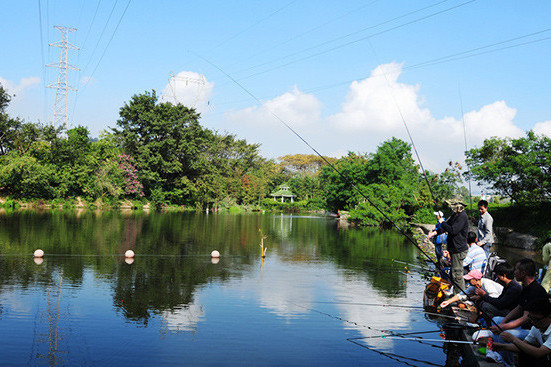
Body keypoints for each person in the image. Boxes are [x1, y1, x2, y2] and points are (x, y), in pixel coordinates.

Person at [490, 259, 550, 365]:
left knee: (506, 333)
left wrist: (503, 328)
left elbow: (526, 317)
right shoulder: (525, 287)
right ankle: (500, 355)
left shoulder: (536, 290)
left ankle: (508, 363)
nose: (514, 272)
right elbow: (519, 308)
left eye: (516, 270)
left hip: (526, 328)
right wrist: (503, 323)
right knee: (496, 320)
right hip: (530, 329)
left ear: (523, 273)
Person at [493, 298, 551, 366]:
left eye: (536, 319)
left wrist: (513, 339)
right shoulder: (536, 328)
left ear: (549, 316)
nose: (532, 322)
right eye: (530, 318)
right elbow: (522, 346)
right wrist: (503, 347)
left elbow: (539, 353)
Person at [428, 199, 469, 295]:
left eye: (453, 205)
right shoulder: (454, 215)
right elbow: (445, 227)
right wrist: (435, 232)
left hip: (459, 250)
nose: (451, 207)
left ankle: (460, 295)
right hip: (453, 249)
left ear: (458, 206)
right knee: (452, 273)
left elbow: (453, 230)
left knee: (457, 274)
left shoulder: (462, 216)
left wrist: (442, 222)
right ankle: (453, 292)